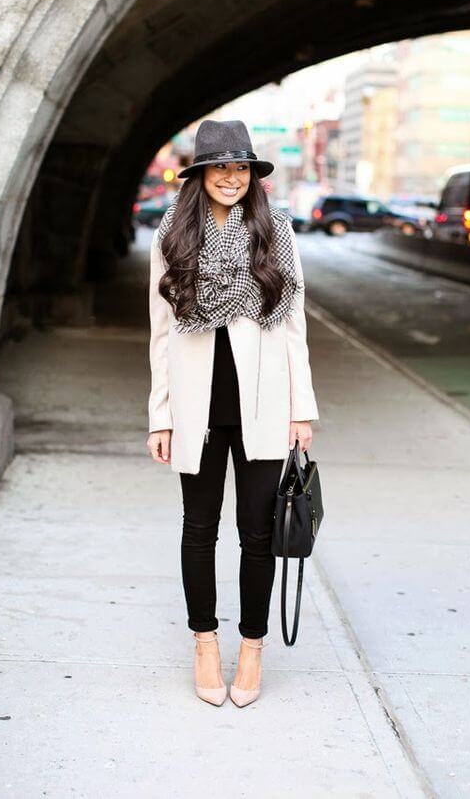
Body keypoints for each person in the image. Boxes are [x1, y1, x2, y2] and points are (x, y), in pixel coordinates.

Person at [146, 119, 319, 707]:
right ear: (199, 175)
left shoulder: (276, 232)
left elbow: (294, 325)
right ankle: (204, 643)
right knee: (199, 529)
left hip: (264, 405)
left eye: (240, 168)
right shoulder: (172, 234)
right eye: (220, 167)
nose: (230, 178)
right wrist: (160, 416)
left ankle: (251, 647)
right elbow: (162, 334)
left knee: (257, 533)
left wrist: (303, 409)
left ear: (252, 176)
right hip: (197, 408)